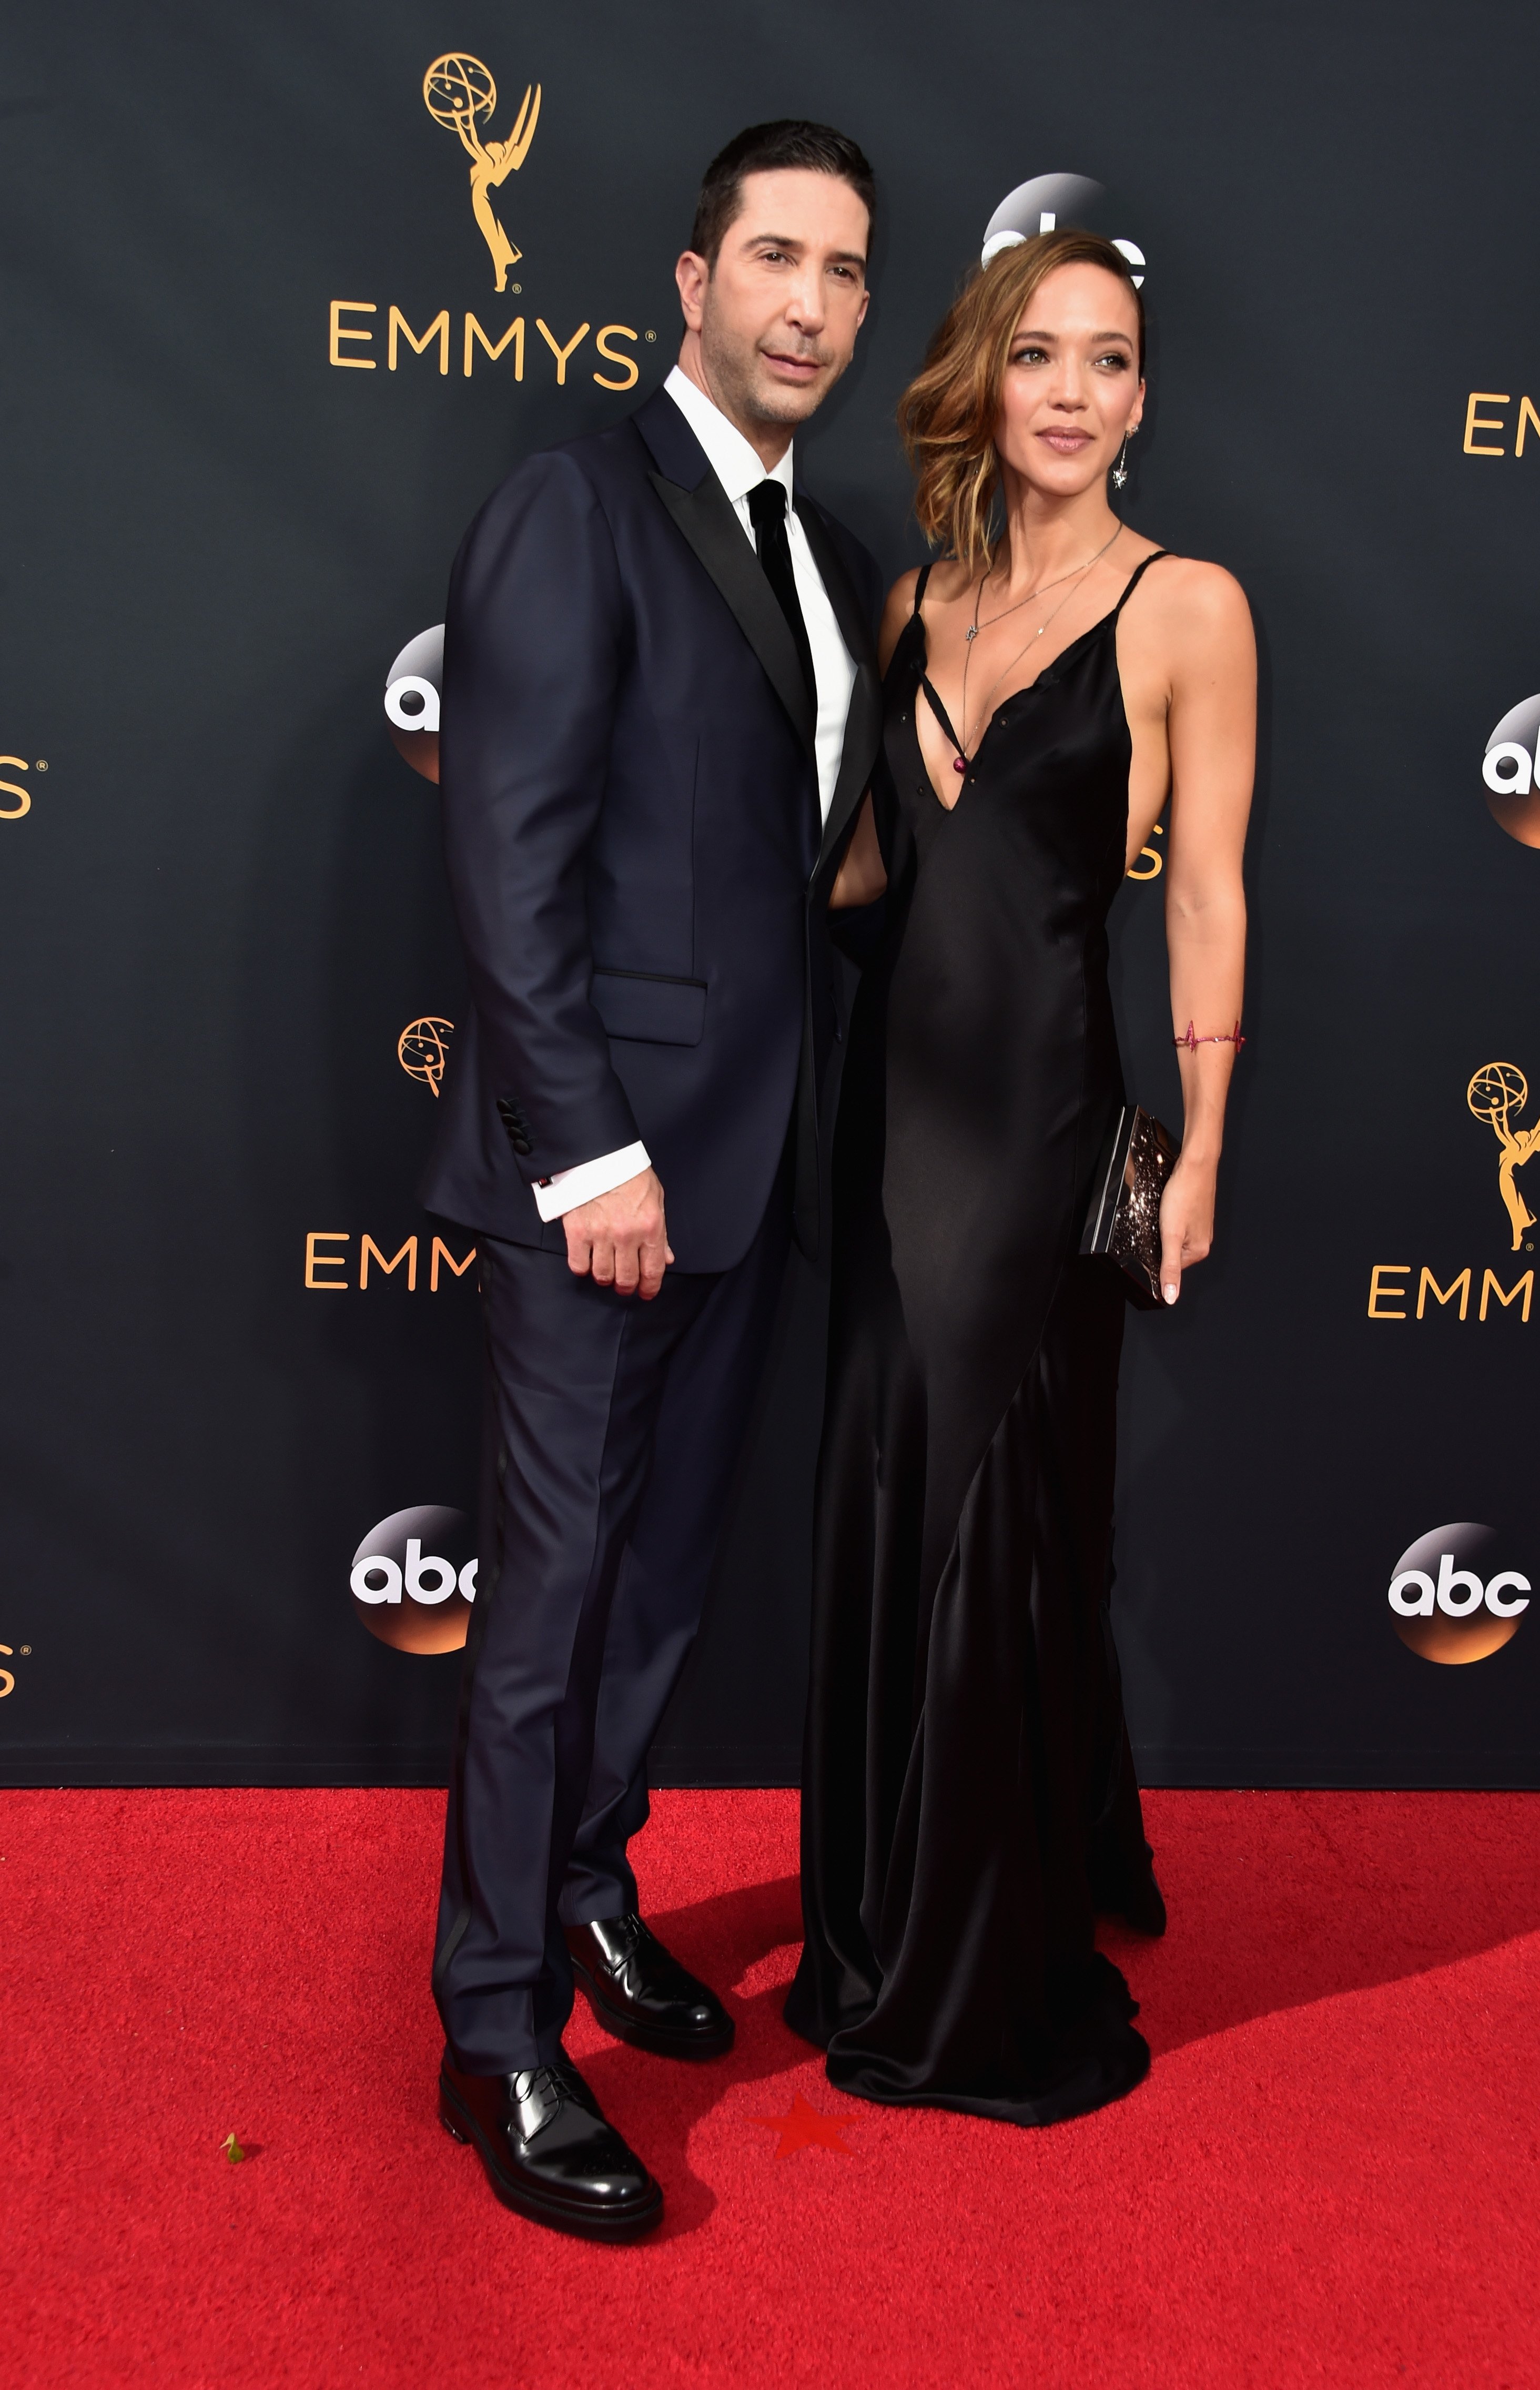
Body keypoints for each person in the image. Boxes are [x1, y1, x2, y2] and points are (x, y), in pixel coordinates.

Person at [421, 121, 884, 2237]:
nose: (812, 303)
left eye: (849, 271)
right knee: (543, 1610)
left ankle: (594, 1893)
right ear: (689, 281)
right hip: (603, 1176)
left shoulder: (820, 538)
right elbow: (509, 860)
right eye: (775, 257)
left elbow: (798, 868)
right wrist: (589, 1146)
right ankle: (496, 2026)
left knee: (665, 1584)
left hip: (754, 1167)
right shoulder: (575, 500)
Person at [788, 230, 1255, 2123]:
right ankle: (881, 1908)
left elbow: (1207, 892)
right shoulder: (910, 606)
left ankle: (980, 1957)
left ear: (1145, 399)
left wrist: (1207, 1142)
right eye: (1039, 352)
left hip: (1055, 1124)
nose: (1072, 388)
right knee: (889, 1497)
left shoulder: (1187, 608)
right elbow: (874, 879)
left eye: (1112, 358)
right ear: (986, 378)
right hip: (886, 1112)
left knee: (1007, 1515)